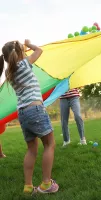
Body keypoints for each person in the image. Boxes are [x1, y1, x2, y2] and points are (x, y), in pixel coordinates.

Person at [0, 40, 59, 195]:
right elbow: (39, 51)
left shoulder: (9, 72)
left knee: (31, 149)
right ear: (20, 53)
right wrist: (30, 45)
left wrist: (21, 48)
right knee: (49, 144)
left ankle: (28, 186)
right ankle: (46, 183)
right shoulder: (24, 64)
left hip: (23, 114)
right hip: (35, 109)